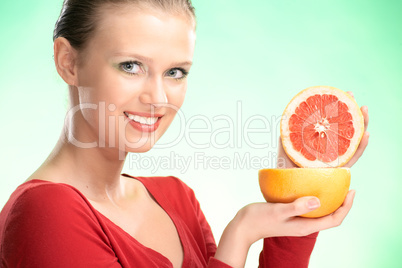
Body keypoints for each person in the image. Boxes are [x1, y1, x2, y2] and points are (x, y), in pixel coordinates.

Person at [0, 0, 369, 267]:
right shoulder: (44, 213)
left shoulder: (176, 199)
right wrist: (239, 235)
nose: (158, 98)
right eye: (131, 66)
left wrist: (296, 204)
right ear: (68, 62)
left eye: (176, 72)